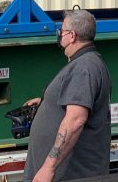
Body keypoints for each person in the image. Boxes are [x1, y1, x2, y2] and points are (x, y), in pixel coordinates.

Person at [22, 10, 112, 182]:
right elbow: (78, 101)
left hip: (70, 174)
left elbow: (75, 120)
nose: (59, 36)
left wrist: (48, 168)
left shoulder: (84, 68)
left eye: (62, 31)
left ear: (72, 36)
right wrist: (48, 102)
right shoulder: (86, 63)